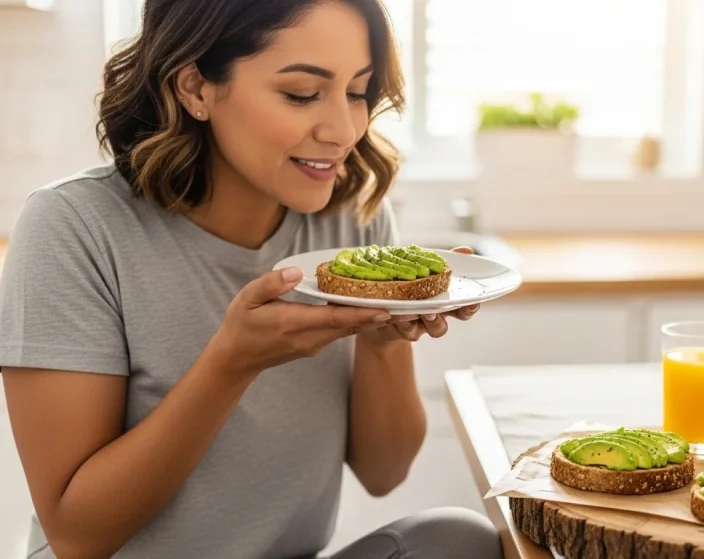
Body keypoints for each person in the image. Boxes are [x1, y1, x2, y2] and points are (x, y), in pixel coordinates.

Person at [0, 1, 504, 558]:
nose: (344, 130)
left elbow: (384, 473)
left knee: (460, 540)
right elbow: (77, 536)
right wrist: (232, 363)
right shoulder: (75, 228)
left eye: (358, 92)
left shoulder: (351, 220)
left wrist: (383, 339)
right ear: (194, 87)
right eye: (302, 94)